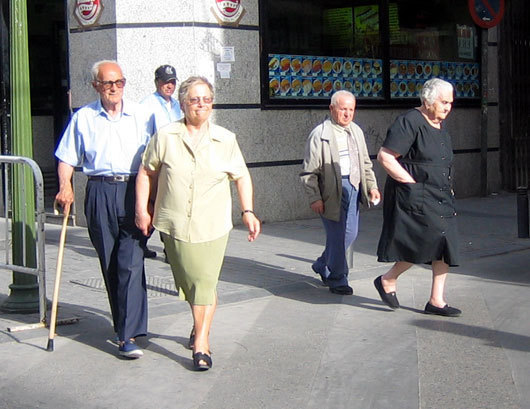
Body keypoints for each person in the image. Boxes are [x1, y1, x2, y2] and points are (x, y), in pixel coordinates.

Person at [135, 76, 260, 371]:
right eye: (194, 99)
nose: (201, 105)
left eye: (206, 99)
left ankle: (201, 342)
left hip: (213, 225)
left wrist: (248, 211)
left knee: (204, 283)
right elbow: (145, 172)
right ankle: (198, 325)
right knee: (190, 284)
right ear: (182, 104)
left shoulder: (225, 139)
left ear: (212, 104)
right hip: (174, 224)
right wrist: (142, 209)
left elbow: (241, 176)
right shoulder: (165, 136)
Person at [55, 60, 151, 358]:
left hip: (134, 189)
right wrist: (65, 186)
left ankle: (127, 335)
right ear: (96, 85)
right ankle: (130, 324)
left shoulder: (143, 115)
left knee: (131, 262)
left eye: (119, 82)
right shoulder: (83, 117)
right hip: (98, 190)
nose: (114, 88)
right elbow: (66, 157)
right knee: (111, 263)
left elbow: (159, 155)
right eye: (108, 83)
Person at [374, 78, 461, 317]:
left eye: (450, 103)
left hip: (440, 194)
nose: (447, 107)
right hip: (416, 195)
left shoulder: (440, 125)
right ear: (428, 100)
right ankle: (388, 280)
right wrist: (410, 184)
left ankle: (436, 300)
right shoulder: (410, 121)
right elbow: (386, 157)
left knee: (445, 243)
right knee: (422, 242)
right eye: (443, 102)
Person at [300, 90, 381, 295]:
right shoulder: (320, 134)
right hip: (331, 190)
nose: (347, 114)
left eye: (351, 109)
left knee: (350, 233)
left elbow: (365, 163)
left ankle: (322, 264)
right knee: (337, 236)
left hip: (353, 186)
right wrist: (315, 197)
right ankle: (338, 278)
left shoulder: (356, 131)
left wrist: (372, 186)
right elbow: (309, 170)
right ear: (332, 109)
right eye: (343, 109)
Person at [139, 64, 183, 259]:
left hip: (173, 161)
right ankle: (141, 241)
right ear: (157, 82)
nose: (169, 86)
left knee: (169, 204)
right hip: (156, 162)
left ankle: (169, 248)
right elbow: (142, 136)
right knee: (153, 203)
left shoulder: (176, 104)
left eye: (172, 82)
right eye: (166, 82)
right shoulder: (147, 105)